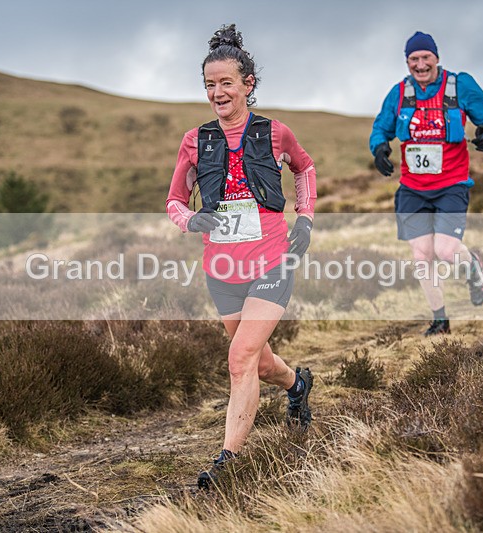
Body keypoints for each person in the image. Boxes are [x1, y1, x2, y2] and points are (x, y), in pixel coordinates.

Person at [166, 24, 317, 490]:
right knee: (261, 363)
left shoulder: (275, 133)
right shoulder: (195, 140)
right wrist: (190, 221)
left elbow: (305, 168)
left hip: (272, 261)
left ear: (248, 84)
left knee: (239, 359)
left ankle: (228, 460)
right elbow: (174, 200)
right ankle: (297, 385)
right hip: (223, 270)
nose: (217, 93)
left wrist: (305, 219)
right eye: (210, 85)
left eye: (226, 83)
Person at [369, 31, 483, 336]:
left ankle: (474, 269)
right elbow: (381, 127)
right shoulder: (400, 92)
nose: (420, 64)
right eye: (413, 59)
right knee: (421, 255)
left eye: (425, 57)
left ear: (436, 58)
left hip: (451, 184)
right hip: (412, 189)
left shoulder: (459, 85)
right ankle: (440, 320)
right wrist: (378, 148)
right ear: (407, 62)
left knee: (445, 250)